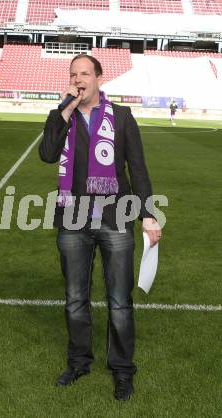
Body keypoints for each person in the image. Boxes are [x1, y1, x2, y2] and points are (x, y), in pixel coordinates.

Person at [39, 54, 162, 401]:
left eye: (85, 74)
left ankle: (122, 369)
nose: (79, 79)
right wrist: (64, 109)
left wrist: (148, 214)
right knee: (75, 298)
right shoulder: (61, 117)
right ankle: (78, 361)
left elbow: (138, 168)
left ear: (99, 78)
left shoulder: (121, 116)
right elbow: (48, 154)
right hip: (73, 219)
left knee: (120, 300)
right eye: (73, 74)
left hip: (116, 217)